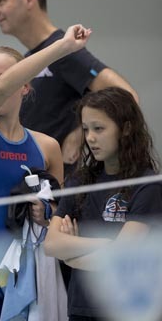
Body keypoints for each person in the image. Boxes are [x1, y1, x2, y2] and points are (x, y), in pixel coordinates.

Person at [0, 24, 92, 319]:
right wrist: (63, 47)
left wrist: (47, 212)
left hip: (30, 274)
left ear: (25, 86)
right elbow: (2, 89)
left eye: (3, 77)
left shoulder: (47, 147)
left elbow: (59, 215)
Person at [0, 0, 137, 176]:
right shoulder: (32, 59)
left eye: (0, 2)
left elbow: (126, 96)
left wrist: (80, 133)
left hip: (63, 184)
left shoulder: (64, 52)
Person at [44, 87, 162, 320]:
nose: (90, 138)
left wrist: (72, 257)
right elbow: (51, 244)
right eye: (86, 129)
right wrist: (105, 243)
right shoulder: (80, 181)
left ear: (126, 129)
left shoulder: (147, 185)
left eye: (99, 128)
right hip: (81, 308)